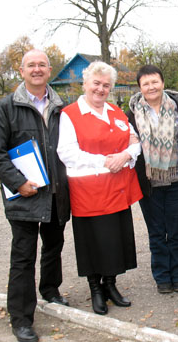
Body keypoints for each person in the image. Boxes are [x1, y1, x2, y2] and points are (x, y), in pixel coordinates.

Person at [0, 49, 71, 342]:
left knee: (53, 247)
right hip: (25, 196)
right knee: (23, 257)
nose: (37, 69)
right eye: (30, 65)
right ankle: (21, 318)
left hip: (57, 193)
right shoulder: (6, 108)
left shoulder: (61, 107)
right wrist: (18, 183)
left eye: (42, 65)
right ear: (21, 71)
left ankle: (51, 291)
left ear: (49, 70)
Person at [57, 61, 142, 316]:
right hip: (89, 192)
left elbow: (136, 141)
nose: (100, 89)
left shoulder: (116, 112)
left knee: (116, 241)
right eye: (96, 83)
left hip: (117, 190)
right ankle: (95, 289)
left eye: (106, 85)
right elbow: (67, 153)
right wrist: (106, 160)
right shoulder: (70, 114)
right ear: (85, 84)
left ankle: (111, 286)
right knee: (92, 242)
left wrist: (125, 155)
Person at [127, 65, 178, 294]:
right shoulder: (132, 115)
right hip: (149, 182)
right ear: (140, 88)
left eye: (155, 82)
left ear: (162, 83)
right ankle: (162, 276)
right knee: (156, 231)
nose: (151, 87)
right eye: (146, 83)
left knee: (174, 230)